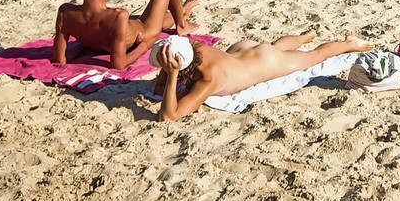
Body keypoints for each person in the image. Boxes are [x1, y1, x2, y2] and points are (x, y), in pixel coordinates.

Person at [152, 30, 375, 122]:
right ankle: (305, 35)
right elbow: (158, 90)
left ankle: (349, 43)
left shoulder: (209, 79)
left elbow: (169, 116)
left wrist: (171, 74)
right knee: (278, 46)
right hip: (244, 52)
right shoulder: (192, 46)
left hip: (266, 62)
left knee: (315, 56)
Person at [52, 0, 200, 70]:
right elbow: (118, 64)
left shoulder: (66, 13)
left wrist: (84, 45)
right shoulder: (118, 17)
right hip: (144, 33)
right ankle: (181, 24)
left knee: (155, 17)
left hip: (110, 39)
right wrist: (143, 46)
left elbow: (59, 59)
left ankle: (183, 10)